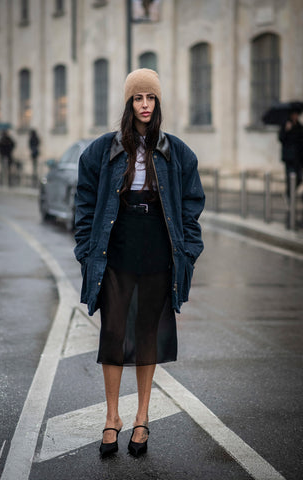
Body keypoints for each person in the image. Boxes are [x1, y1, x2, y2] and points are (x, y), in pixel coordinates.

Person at [74, 68, 205, 458]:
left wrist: (189, 249)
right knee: (114, 334)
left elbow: (191, 206)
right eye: (138, 98)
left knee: (148, 335)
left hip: (158, 249)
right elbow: (83, 202)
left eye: (151, 98)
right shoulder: (103, 150)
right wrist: (85, 248)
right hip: (116, 247)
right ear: (128, 103)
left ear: (159, 102)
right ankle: (112, 417)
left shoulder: (177, 152)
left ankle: (142, 417)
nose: (145, 105)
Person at [278, 109, 303, 199]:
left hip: (298, 157)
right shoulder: (286, 125)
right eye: (294, 114)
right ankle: (289, 195)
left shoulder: (299, 126)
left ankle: (290, 193)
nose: (295, 116)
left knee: (299, 178)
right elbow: (281, 138)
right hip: (289, 157)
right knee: (290, 177)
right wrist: (286, 130)